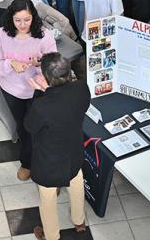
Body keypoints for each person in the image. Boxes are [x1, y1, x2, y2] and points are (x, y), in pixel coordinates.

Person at [0, 0, 57, 181]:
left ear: (33, 17)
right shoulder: (2, 34)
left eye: (27, 19)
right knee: (23, 127)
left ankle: (43, 165)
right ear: (11, 18)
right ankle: (26, 162)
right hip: (11, 91)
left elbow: (54, 67)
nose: (23, 24)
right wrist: (10, 63)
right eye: (18, 20)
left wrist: (40, 64)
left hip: (37, 90)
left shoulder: (44, 36)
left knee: (40, 129)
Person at [24, 52, 91, 240]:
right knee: (76, 182)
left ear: (46, 78)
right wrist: (48, 90)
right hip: (74, 151)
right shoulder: (82, 88)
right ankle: (79, 221)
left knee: (47, 198)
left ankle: (52, 235)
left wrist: (39, 92)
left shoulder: (42, 105)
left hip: (49, 160)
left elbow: (30, 125)